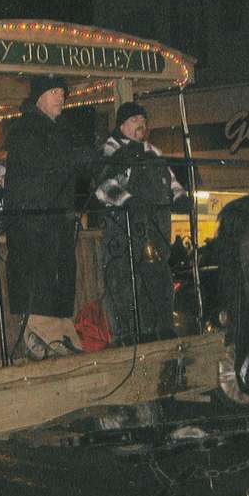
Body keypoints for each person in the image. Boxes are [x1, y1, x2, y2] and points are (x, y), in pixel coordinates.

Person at [3, 75, 93, 359]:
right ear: (39, 96)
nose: (60, 97)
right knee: (38, 278)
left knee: (61, 275)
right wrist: (76, 158)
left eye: (62, 93)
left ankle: (63, 330)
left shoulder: (62, 131)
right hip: (34, 223)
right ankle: (42, 332)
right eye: (54, 91)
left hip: (58, 219)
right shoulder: (24, 131)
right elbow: (43, 166)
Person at [95, 102, 189, 342]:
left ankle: (161, 327)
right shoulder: (111, 150)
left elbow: (171, 181)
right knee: (123, 281)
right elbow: (103, 186)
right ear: (123, 124)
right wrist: (127, 201)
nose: (141, 124)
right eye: (135, 119)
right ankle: (128, 333)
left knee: (159, 278)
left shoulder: (153, 152)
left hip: (155, 229)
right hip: (123, 231)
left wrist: (180, 197)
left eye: (143, 120)